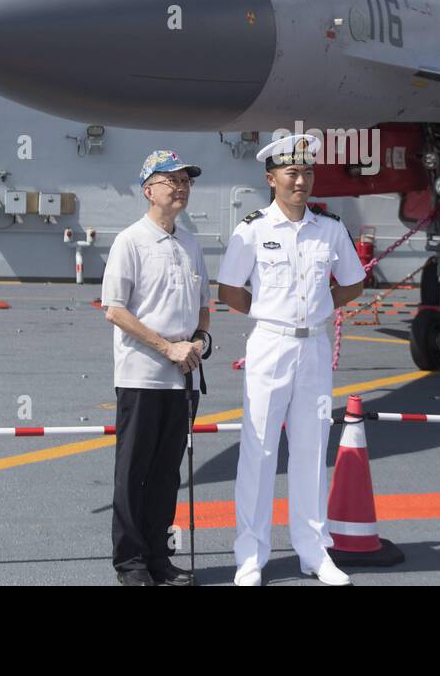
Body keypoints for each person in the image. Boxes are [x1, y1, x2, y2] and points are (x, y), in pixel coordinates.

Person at [216, 133, 366, 586]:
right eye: (291, 173)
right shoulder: (253, 229)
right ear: (271, 178)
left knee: (311, 448)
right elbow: (228, 290)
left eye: (307, 172)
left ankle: (313, 551)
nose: (301, 180)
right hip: (270, 345)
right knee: (258, 450)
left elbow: (354, 282)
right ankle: (251, 554)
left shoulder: (330, 228)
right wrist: (268, 314)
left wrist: (322, 305)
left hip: (314, 348)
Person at [102, 150, 210, 586]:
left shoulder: (191, 244)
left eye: (186, 180)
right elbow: (114, 310)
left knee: (167, 473)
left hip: (183, 378)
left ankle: (159, 560)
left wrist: (200, 342)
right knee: (133, 474)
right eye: (171, 180)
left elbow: (204, 307)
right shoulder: (130, 241)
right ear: (149, 190)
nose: (181, 187)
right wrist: (168, 347)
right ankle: (130, 563)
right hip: (142, 376)